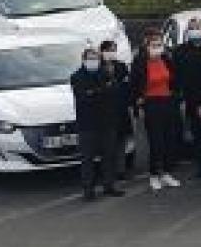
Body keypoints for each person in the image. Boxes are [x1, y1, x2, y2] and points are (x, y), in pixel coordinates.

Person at [128, 31, 183, 191]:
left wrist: (176, 95)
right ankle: (154, 174)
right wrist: (138, 102)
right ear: (147, 46)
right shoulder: (140, 62)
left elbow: (174, 79)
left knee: (169, 139)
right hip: (151, 103)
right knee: (156, 140)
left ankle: (166, 172)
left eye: (160, 45)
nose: (157, 48)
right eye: (154, 45)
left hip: (167, 101)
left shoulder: (166, 59)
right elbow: (134, 84)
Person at [71, 46, 125, 200]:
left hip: (107, 123)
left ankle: (109, 185)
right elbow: (83, 99)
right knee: (87, 159)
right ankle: (88, 190)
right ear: (83, 60)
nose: (93, 61)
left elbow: (115, 91)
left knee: (109, 156)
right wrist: (102, 91)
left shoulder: (105, 74)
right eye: (90, 58)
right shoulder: (76, 77)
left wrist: (94, 91)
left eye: (95, 58)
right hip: (87, 125)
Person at [172, 18, 201, 177]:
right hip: (192, 99)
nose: (195, 30)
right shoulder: (181, 51)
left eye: (198, 28)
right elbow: (177, 76)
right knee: (198, 133)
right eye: (192, 28)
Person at [98, 39, 134, 181]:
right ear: (102, 51)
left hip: (121, 110)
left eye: (113, 50)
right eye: (109, 50)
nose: (111, 53)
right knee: (107, 143)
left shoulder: (121, 66)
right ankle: (107, 171)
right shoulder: (98, 68)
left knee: (121, 141)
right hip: (105, 112)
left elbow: (127, 86)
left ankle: (121, 170)